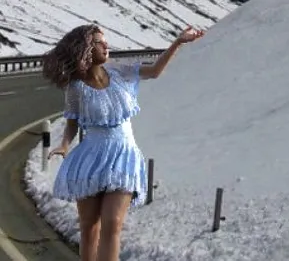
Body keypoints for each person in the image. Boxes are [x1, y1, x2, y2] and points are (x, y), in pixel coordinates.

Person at [43, 23, 204, 261]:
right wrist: (64, 145)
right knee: (89, 228)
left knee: (113, 223)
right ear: (85, 49)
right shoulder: (76, 88)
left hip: (123, 156)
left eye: (105, 40)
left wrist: (178, 42)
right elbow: (72, 122)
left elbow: (155, 71)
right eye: (98, 42)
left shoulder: (120, 72)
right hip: (90, 159)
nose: (105, 45)